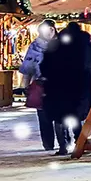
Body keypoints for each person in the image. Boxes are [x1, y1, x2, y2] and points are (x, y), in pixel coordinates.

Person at [38, 21, 91, 156]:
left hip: (56, 87)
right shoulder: (85, 46)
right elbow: (90, 66)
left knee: (59, 117)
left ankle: (62, 146)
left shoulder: (56, 47)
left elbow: (44, 67)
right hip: (78, 86)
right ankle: (79, 143)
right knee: (75, 116)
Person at [18, 22, 57, 150]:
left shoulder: (61, 44)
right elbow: (28, 69)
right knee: (44, 116)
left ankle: (64, 142)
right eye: (46, 29)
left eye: (51, 29)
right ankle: (48, 143)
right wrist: (24, 86)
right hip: (41, 85)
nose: (49, 32)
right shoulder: (35, 46)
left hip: (59, 85)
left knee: (60, 114)